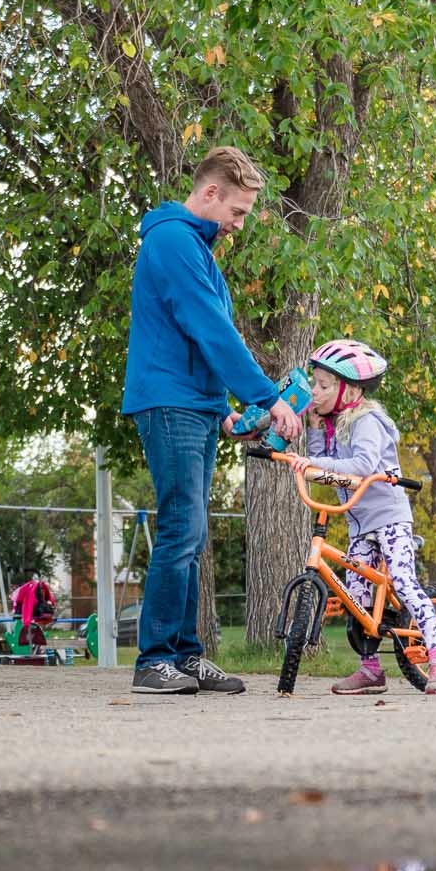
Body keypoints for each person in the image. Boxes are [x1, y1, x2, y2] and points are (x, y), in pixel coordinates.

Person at [124, 145, 303, 696]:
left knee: (193, 537)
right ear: (209, 193)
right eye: (238, 211)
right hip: (169, 402)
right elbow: (212, 331)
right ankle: (153, 660)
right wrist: (267, 395)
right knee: (181, 530)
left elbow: (196, 338)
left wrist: (226, 415)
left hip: (193, 405)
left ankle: (186, 655)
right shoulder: (174, 240)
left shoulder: (196, 250)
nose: (239, 224)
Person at [260, 339, 436, 695]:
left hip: (390, 517)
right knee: (357, 595)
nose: (315, 392)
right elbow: (320, 462)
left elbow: (363, 465)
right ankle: (370, 669)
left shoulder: (368, 421)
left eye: (323, 385)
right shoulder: (333, 424)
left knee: (403, 580)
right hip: (360, 522)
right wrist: (314, 430)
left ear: (349, 389)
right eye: (314, 384)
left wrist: (313, 463)